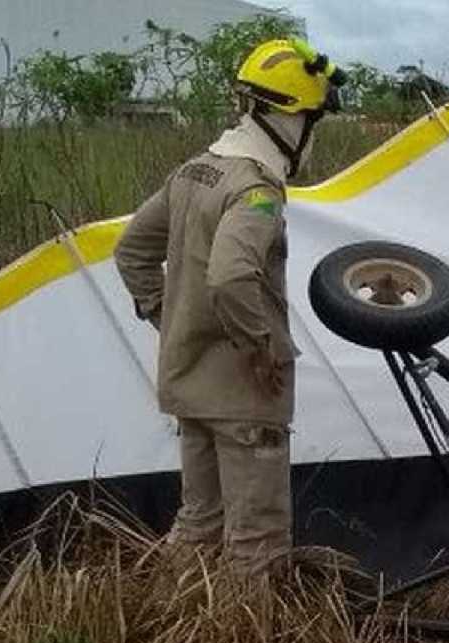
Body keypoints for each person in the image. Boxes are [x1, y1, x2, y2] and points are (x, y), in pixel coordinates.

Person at [114, 39, 344, 577]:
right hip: (243, 397)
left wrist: (167, 317)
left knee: (199, 525)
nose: (314, 132)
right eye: (314, 118)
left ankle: (165, 629)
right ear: (291, 118)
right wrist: (260, 347)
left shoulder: (194, 171)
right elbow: (232, 274)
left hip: (192, 386)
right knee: (256, 542)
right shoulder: (256, 189)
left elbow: (131, 252)